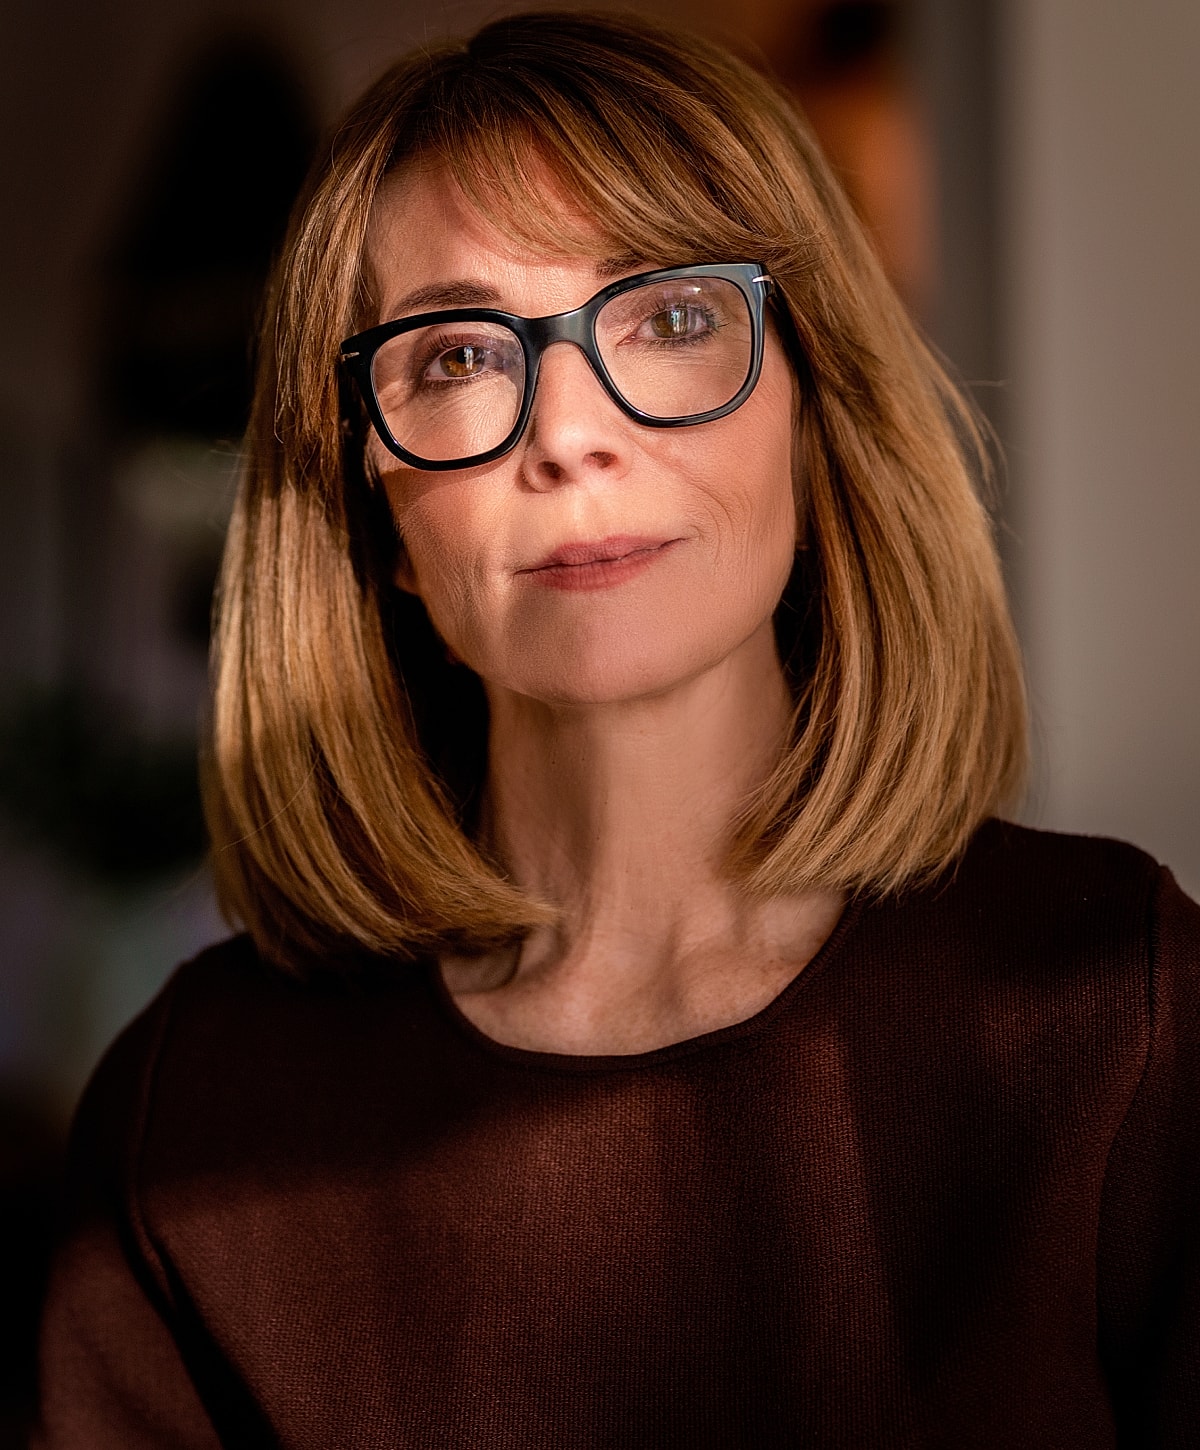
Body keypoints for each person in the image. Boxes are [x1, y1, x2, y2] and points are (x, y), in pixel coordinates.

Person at [34, 10, 1199, 1448]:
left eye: (676, 316)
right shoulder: (186, 1124)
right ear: (381, 520)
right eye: (459, 355)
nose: (568, 432)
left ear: (816, 416)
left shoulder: (1113, 1008)